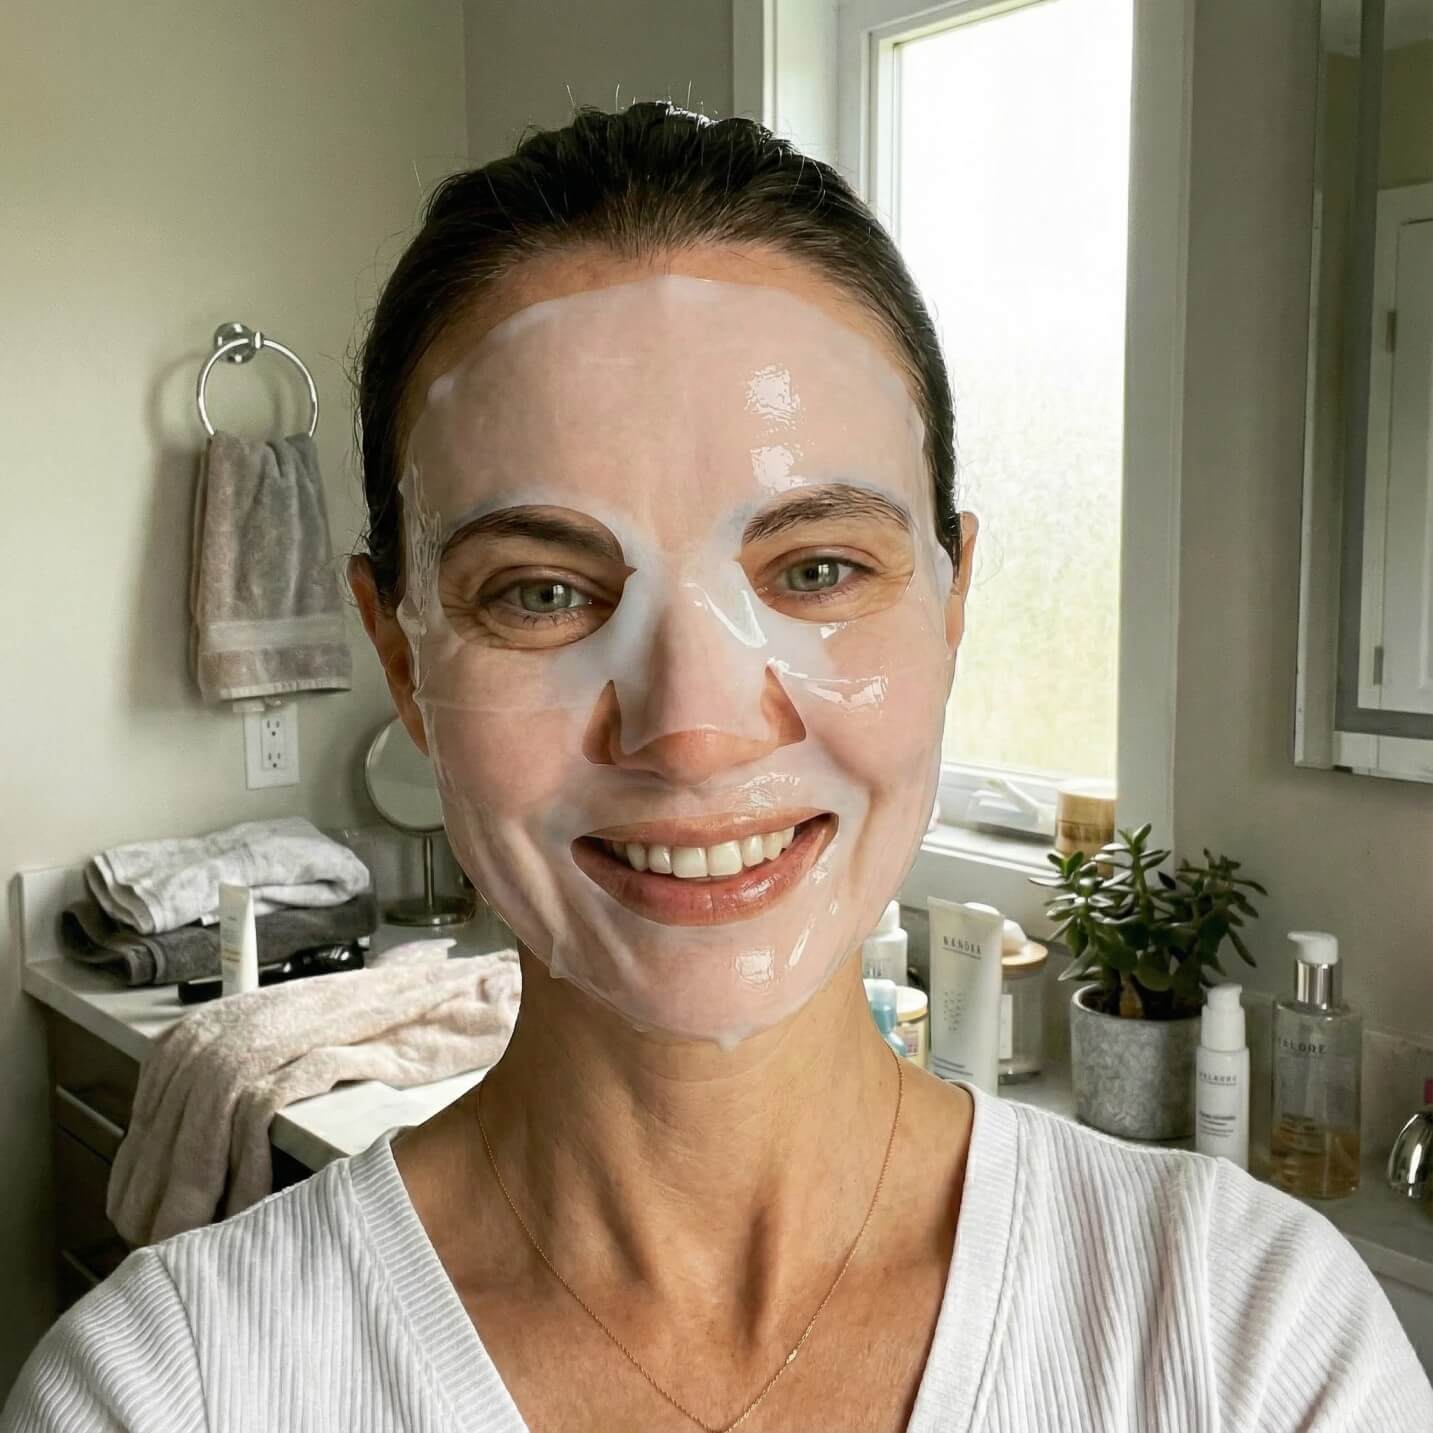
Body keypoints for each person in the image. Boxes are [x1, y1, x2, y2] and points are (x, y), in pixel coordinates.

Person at [5, 101, 1429, 1433]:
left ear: (949, 599)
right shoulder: (175, 1390)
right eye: (541, 592)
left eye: (815, 567)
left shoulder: (1247, 1339)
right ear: (401, 653)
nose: (691, 725)